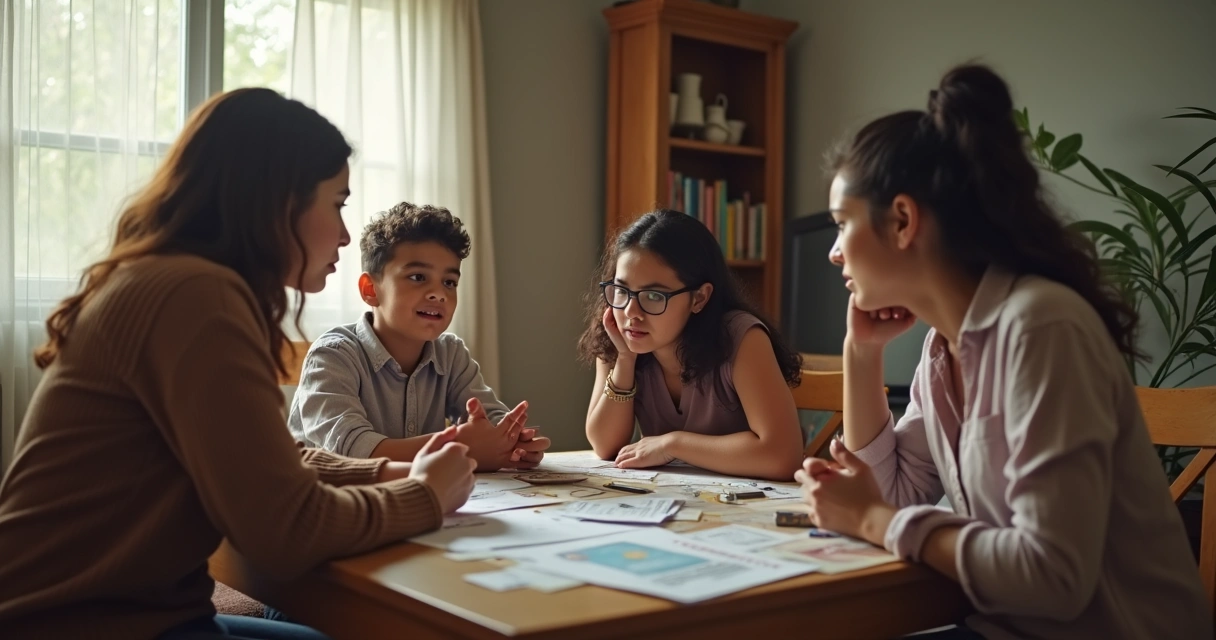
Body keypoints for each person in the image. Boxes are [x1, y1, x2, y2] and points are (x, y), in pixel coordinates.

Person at [0, 88, 477, 640]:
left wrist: (384, 471)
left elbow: (265, 456)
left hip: (131, 614)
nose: (345, 235)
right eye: (337, 204)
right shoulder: (195, 296)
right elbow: (287, 530)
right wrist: (423, 497)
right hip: (80, 625)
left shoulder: (175, 281)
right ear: (278, 202)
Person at [795, 64, 1210, 639]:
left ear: (902, 220)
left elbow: (1052, 579)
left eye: (843, 224)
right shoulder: (944, 349)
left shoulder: (1041, 327)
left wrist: (873, 518)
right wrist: (860, 355)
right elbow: (889, 494)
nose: (836, 252)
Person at [288, 202, 549, 471]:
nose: (439, 293)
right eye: (418, 277)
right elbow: (353, 450)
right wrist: (459, 447)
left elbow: (489, 418)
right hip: (328, 503)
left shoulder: (450, 354)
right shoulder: (333, 356)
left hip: (412, 498)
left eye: (449, 282)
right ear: (370, 290)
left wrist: (512, 441)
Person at [579, 210, 804, 480]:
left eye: (653, 295)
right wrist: (625, 360)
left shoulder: (742, 338)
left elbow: (782, 456)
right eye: (622, 290)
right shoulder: (619, 336)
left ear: (699, 298)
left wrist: (672, 444)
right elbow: (605, 446)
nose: (630, 311)